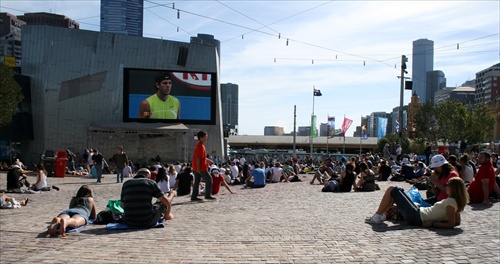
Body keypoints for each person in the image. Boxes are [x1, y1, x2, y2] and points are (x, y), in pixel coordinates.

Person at [365, 177, 468, 228]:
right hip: (419, 212)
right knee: (397, 190)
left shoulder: (450, 202)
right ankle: (380, 214)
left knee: (394, 189)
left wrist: (433, 223)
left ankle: (378, 215)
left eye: (448, 185)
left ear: (453, 189)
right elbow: (457, 222)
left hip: (417, 216)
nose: (446, 187)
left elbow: (451, 224)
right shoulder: (455, 202)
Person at [191, 130, 215, 201]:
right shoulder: (200, 146)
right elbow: (198, 157)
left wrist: (208, 161)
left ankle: (194, 196)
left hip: (197, 167)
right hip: (201, 167)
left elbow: (202, 157)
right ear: (201, 137)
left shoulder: (199, 145)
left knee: (197, 181)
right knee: (209, 179)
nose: (206, 138)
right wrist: (198, 168)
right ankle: (207, 195)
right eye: (205, 137)